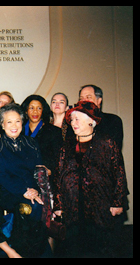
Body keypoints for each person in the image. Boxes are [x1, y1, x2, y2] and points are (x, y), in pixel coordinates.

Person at [53, 100, 129, 257]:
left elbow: (119, 173)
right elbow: (58, 176)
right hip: (72, 208)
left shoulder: (107, 143)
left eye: (77, 119)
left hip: (99, 207)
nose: (73, 123)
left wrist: (118, 202)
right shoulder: (66, 145)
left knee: (100, 249)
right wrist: (58, 205)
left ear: (91, 121)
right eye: (72, 119)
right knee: (74, 249)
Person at [0, 103, 49, 257]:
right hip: (8, 191)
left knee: (37, 207)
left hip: (31, 190)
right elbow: (0, 175)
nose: (14, 125)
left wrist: (34, 190)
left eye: (17, 121)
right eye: (9, 122)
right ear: (2, 124)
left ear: (22, 122)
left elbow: (37, 170)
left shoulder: (32, 143)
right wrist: (24, 191)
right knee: (32, 208)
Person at [21, 94, 62, 175]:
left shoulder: (54, 131)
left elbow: (59, 158)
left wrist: (50, 171)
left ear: (43, 110)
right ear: (26, 111)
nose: (35, 111)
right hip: (21, 175)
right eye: (31, 108)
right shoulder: (18, 130)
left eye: (39, 108)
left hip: (43, 177)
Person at [78, 84, 123, 150]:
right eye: (81, 98)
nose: (83, 101)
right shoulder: (75, 123)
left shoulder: (112, 120)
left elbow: (112, 149)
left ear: (99, 101)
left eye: (88, 97)